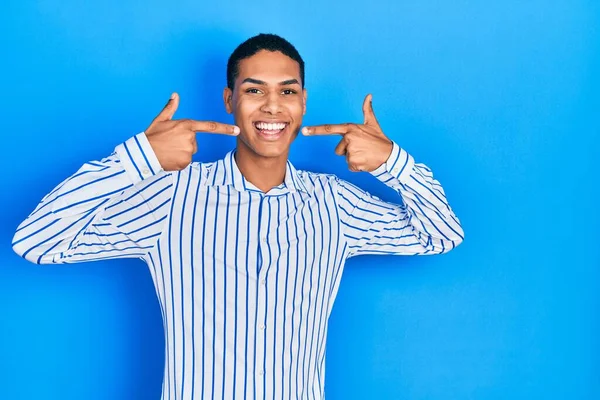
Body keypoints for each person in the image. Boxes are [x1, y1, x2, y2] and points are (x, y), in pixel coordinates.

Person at [12, 33, 464, 400]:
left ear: (303, 102)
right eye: (254, 91)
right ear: (229, 100)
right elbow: (36, 242)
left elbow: (441, 235)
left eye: (287, 91)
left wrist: (393, 163)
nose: (272, 106)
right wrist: (139, 158)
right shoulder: (171, 199)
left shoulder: (336, 205)